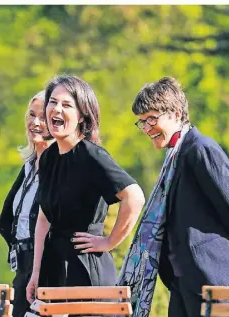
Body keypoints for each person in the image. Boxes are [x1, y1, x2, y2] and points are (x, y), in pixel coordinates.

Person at [118, 77, 229, 317]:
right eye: (142, 122)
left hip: (211, 277)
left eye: (152, 119)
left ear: (176, 113)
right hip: (183, 282)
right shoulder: (174, 158)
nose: (147, 128)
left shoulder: (200, 149)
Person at [25, 75, 146, 303]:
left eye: (67, 105)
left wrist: (108, 242)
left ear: (82, 116)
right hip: (55, 270)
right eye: (53, 102)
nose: (56, 109)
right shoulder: (48, 158)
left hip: (87, 272)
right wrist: (36, 272)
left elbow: (135, 196)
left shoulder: (92, 155)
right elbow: (44, 217)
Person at [0, 90, 54, 317]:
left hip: (48, 269)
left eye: (43, 118)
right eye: (32, 115)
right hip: (23, 268)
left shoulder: (61, 165)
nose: (35, 123)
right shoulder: (30, 165)